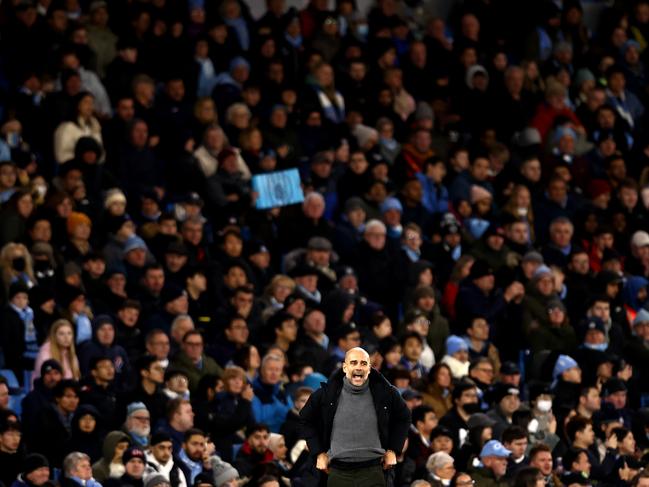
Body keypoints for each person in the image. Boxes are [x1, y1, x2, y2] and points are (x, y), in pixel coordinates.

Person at [300, 347, 411, 486]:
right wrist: (319, 453)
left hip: (375, 470)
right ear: (345, 367)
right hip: (338, 471)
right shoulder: (326, 394)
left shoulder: (386, 392)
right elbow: (306, 419)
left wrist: (393, 450)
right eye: (353, 363)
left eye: (363, 363)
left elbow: (404, 417)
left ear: (370, 369)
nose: (359, 367)